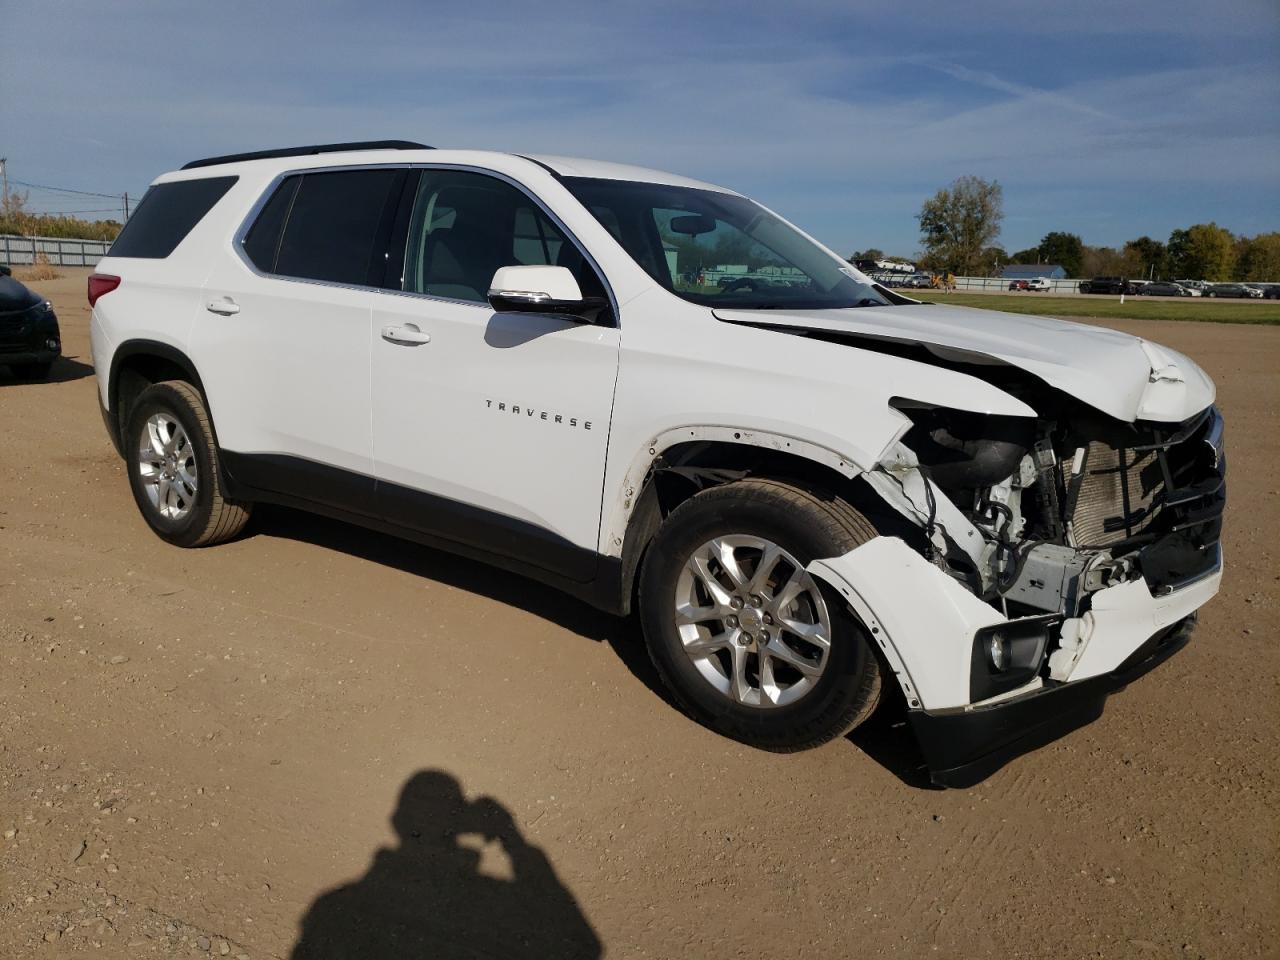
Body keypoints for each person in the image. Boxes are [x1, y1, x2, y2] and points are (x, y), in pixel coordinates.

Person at [291, 770, 602, 960]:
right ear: (462, 824)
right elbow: (582, 946)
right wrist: (513, 840)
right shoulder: (492, 903)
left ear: (397, 823)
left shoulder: (334, 908)